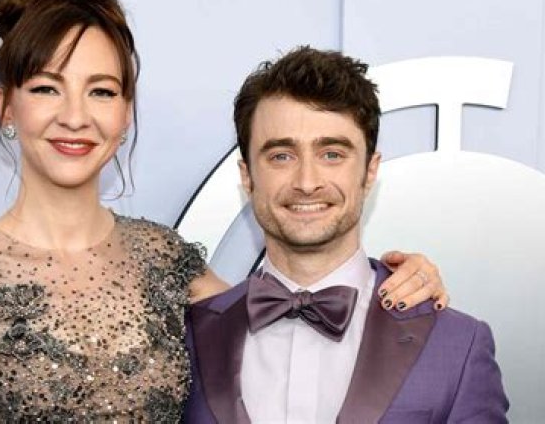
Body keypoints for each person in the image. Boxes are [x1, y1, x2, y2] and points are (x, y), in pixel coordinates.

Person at [0, 0, 448, 423]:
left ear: (125, 112)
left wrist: (399, 280)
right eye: (46, 88)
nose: (75, 116)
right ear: (7, 106)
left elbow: (294, 314)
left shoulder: (166, 261)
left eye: (101, 91)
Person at [184, 47, 509, 423]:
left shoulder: (457, 345)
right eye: (281, 156)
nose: (307, 182)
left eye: (332, 154)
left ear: (370, 171)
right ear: (247, 176)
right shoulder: (189, 337)